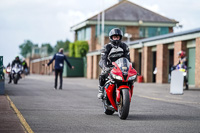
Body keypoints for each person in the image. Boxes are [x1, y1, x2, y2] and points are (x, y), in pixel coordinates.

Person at [97, 28, 130, 99]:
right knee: (102, 74)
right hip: (109, 66)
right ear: (111, 37)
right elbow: (103, 59)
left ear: (120, 37)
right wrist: (105, 67)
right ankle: (101, 90)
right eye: (114, 37)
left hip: (120, 67)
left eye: (117, 37)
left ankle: (127, 91)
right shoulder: (106, 47)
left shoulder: (124, 46)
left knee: (130, 78)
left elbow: (127, 59)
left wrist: (129, 67)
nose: (116, 39)